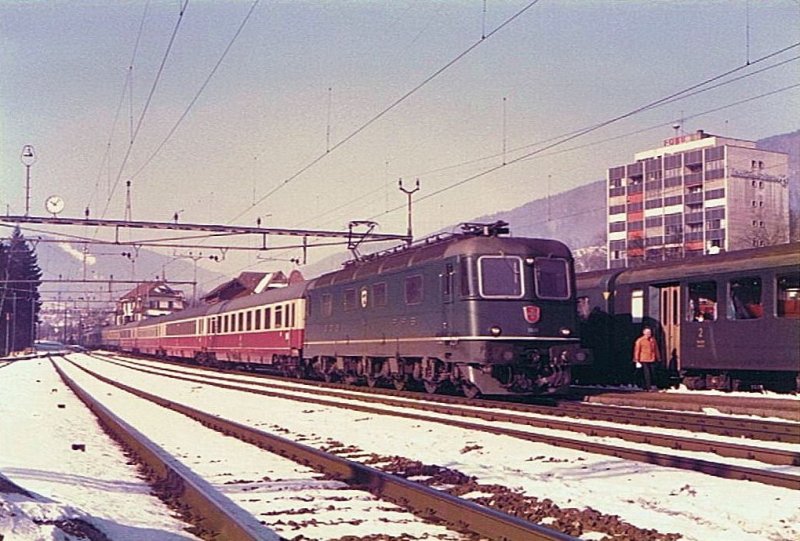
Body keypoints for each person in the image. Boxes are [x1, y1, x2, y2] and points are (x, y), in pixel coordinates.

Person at [633, 327, 660, 391]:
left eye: (650, 332)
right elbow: (637, 350)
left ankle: (649, 386)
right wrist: (636, 360)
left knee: (652, 372)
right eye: (648, 332)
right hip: (643, 359)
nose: (649, 334)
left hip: (652, 358)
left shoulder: (653, 340)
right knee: (646, 373)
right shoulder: (640, 340)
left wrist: (658, 357)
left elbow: (656, 349)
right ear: (644, 333)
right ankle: (648, 387)